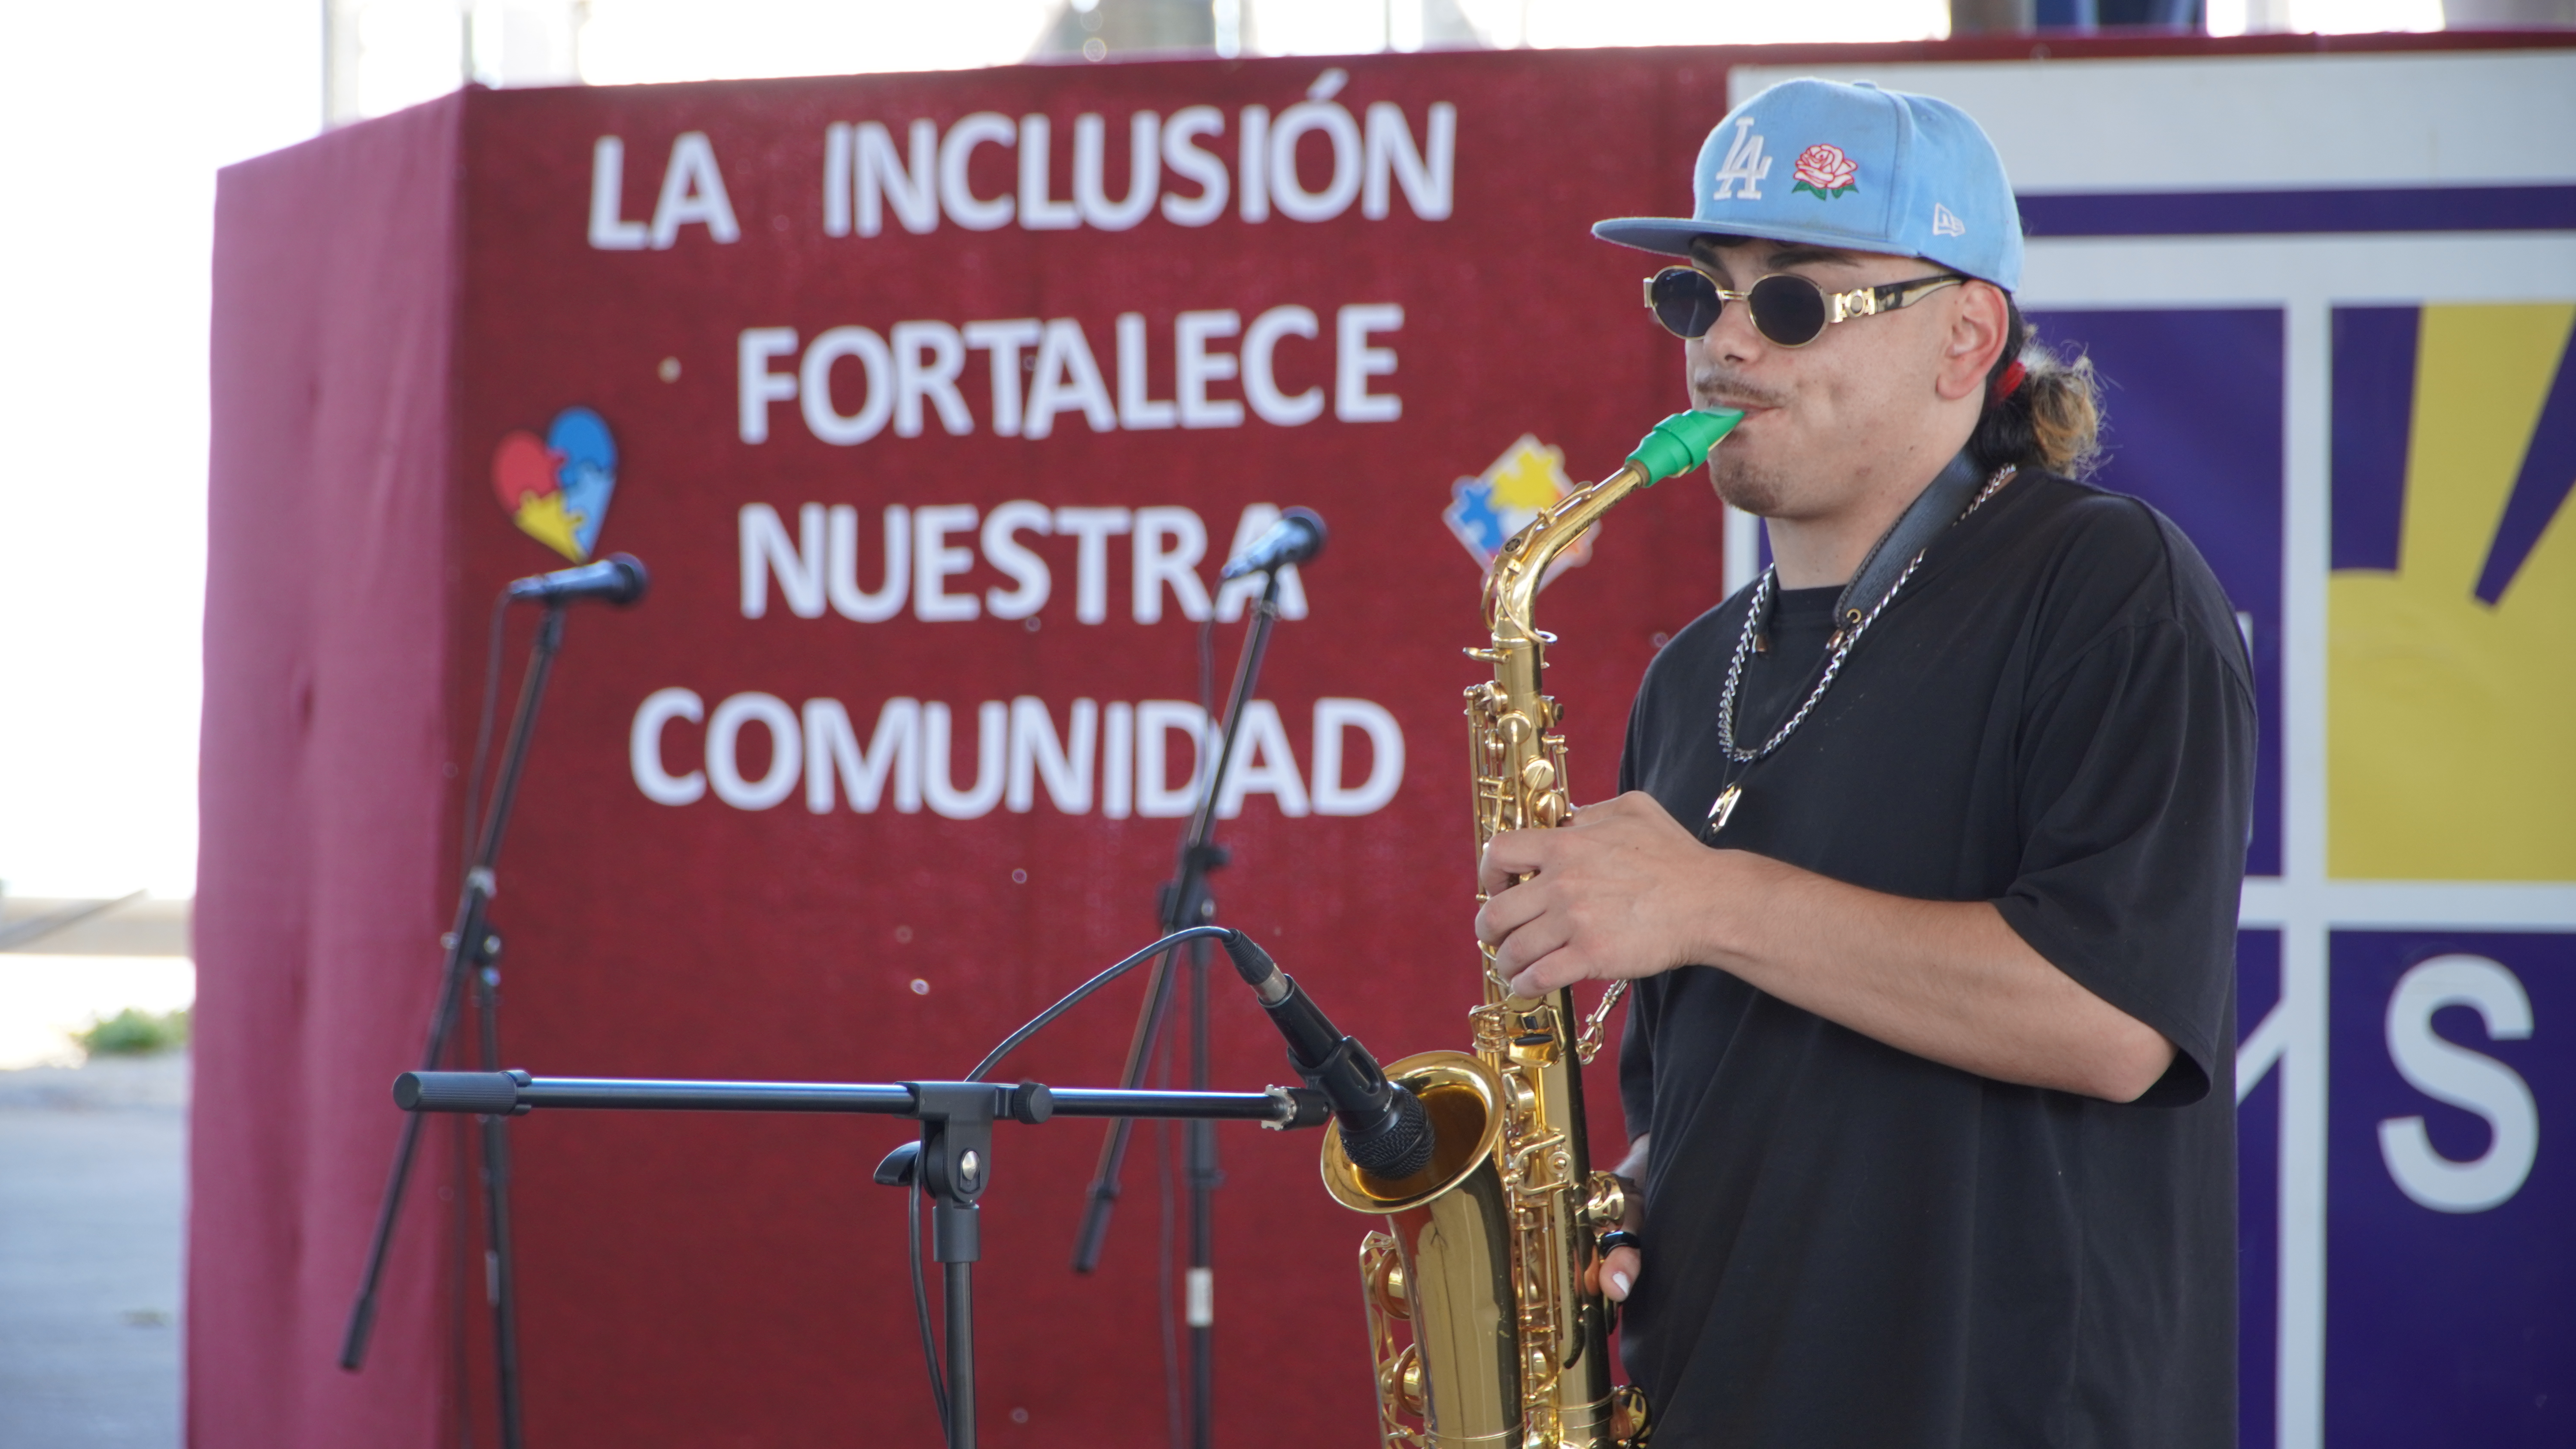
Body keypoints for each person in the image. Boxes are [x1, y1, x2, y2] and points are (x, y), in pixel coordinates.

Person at [1473, 79, 2254, 1447]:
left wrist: (1705, 900)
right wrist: (1638, 1197)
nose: (1724, 340)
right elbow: (1732, 1074)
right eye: (1696, 296)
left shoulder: (2107, 584)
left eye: (1793, 302)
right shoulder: (1688, 672)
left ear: (1965, 336)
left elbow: (2114, 1020)